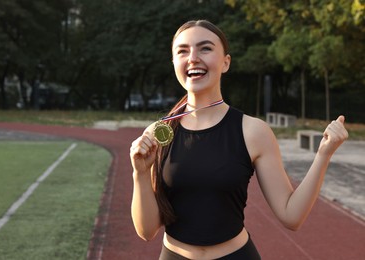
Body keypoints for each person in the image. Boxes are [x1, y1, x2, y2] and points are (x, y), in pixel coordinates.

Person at [130, 20, 348, 260]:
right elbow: (147, 231)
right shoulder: (158, 132)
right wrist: (140, 173)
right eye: (183, 51)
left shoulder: (253, 131)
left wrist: (324, 154)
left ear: (225, 62)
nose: (193, 57)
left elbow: (291, 215)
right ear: (174, 63)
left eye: (205, 48)